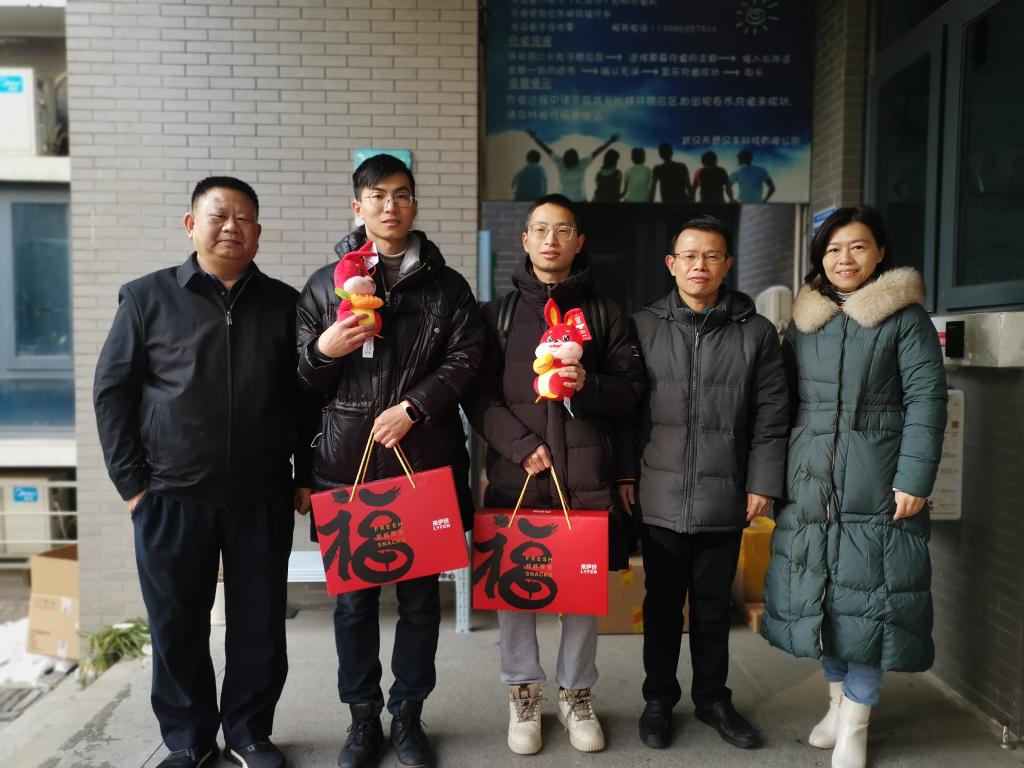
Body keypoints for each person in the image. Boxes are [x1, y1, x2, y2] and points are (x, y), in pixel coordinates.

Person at [93, 177, 308, 768]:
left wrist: (305, 473)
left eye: (244, 218)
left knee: (259, 623)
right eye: (218, 215)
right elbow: (112, 391)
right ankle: (188, 737)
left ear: (259, 233)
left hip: (261, 493)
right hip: (169, 494)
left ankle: (249, 733)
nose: (231, 227)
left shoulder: (286, 304)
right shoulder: (146, 298)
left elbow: (307, 397)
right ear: (191, 225)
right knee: (176, 623)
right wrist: (132, 484)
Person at [295, 154, 484, 768]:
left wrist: (414, 407)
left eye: (401, 194)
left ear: (414, 204)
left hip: (422, 460)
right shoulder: (323, 285)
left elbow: (466, 359)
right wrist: (323, 351)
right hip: (345, 464)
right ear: (358, 207)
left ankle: (407, 715)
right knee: (353, 603)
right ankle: (360, 720)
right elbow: (301, 381)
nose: (390, 205)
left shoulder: (447, 287)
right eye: (377, 195)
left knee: (421, 600)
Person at [762, 206, 947, 768]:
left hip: (879, 484)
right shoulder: (805, 322)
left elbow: (926, 400)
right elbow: (781, 402)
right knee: (825, 600)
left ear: (880, 252)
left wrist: (914, 478)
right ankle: (836, 704)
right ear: (820, 257)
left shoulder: (905, 319)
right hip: (811, 482)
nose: (845, 259)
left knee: (872, 603)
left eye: (858, 246)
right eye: (833, 249)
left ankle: (857, 724)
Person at [464, 193, 646, 756]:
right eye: (540, 229)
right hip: (516, 475)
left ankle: (576, 694)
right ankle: (523, 693)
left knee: (582, 592)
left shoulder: (605, 314)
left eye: (562, 230)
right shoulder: (495, 316)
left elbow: (631, 393)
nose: (551, 240)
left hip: (586, 475)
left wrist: (587, 385)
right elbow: (477, 396)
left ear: (578, 242)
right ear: (524, 240)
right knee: (515, 590)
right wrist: (520, 446)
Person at [619, 215, 789, 753]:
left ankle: (713, 698)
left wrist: (763, 482)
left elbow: (771, 415)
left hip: (725, 491)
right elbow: (623, 413)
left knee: (714, 607)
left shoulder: (756, 332)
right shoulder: (641, 326)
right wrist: (625, 472)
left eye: (712, 256)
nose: (700, 265)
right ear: (671, 264)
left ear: (727, 264)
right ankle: (658, 699)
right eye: (690, 256)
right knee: (662, 605)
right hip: (658, 491)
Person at [527, 130, 618, 201]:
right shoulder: (581, 165)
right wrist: (610, 141)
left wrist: (534, 137)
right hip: (581, 200)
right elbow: (597, 152)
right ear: (577, 160)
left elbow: (546, 149)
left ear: (564, 158)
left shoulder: (560, 163)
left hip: (564, 200)